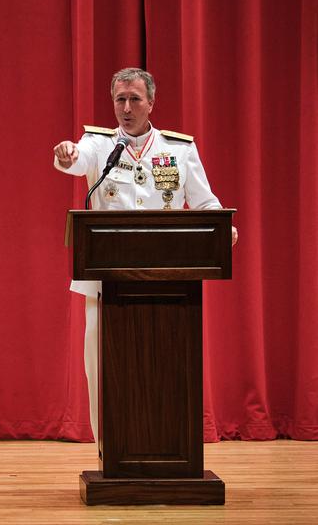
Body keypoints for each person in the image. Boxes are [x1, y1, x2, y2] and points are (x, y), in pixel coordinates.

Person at [52, 67, 238, 441]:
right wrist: (68, 154)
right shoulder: (99, 143)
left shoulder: (179, 149)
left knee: (164, 366)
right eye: (120, 99)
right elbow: (77, 160)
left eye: (135, 99)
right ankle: (109, 449)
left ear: (151, 103)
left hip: (167, 278)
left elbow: (204, 203)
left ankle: (168, 444)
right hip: (105, 278)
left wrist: (222, 229)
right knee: (102, 366)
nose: (126, 107)